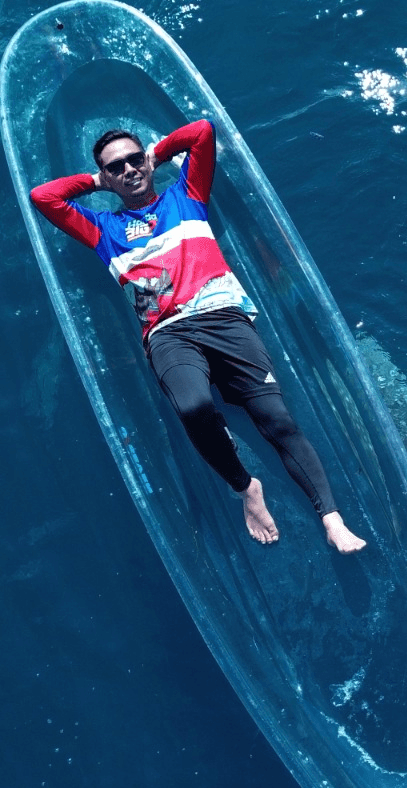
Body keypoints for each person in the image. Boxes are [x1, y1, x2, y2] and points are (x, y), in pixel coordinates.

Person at [30, 119, 366, 553]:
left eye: (135, 160)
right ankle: (247, 489)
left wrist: (158, 153)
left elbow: (202, 133)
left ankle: (332, 518)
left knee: (278, 421)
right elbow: (45, 197)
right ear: (108, 178)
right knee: (193, 407)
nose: (129, 169)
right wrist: (97, 180)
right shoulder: (102, 231)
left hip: (224, 317)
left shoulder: (185, 195)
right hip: (168, 333)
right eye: (118, 167)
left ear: (147, 162)